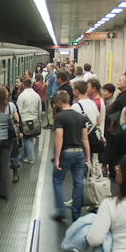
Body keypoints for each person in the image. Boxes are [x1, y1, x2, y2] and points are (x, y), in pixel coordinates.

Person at [52, 90, 90, 222]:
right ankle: (76, 215)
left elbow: (59, 138)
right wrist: (88, 158)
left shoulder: (59, 117)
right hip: (79, 153)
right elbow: (85, 139)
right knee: (78, 183)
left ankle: (61, 211)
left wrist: (56, 158)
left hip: (66, 154)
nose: (55, 106)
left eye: (56, 103)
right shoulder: (80, 117)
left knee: (57, 180)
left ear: (60, 102)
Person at [17, 78, 42, 163]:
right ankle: (24, 155)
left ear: (23, 85)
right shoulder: (36, 95)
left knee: (27, 139)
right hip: (34, 119)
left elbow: (19, 110)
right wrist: (39, 120)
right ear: (31, 85)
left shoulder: (22, 96)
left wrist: (18, 123)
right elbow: (39, 110)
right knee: (30, 138)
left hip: (25, 120)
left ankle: (30, 158)